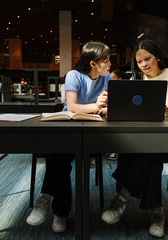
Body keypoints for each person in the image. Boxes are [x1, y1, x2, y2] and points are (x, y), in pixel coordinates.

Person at [101, 39, 168, 238]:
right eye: (139, 62)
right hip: (143, 138)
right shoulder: (136, 82)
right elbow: (126, 110)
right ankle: (157, 213)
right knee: (149, 153)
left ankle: (122, 197)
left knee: (149, 151)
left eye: (148, 59)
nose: (144, 64)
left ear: (157, 57)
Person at [27, 41, 111, 233]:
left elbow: (113, 106)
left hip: (95, 130)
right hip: (70, 124)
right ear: (93, 63)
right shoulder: (73, 75)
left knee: (59, 158)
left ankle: (46, 200)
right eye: (106, 60)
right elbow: (72, 106)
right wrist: (97, 107)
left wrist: (102, 108)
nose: (109, 64)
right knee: (60, 159)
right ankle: (59, 212)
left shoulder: (107, 78)